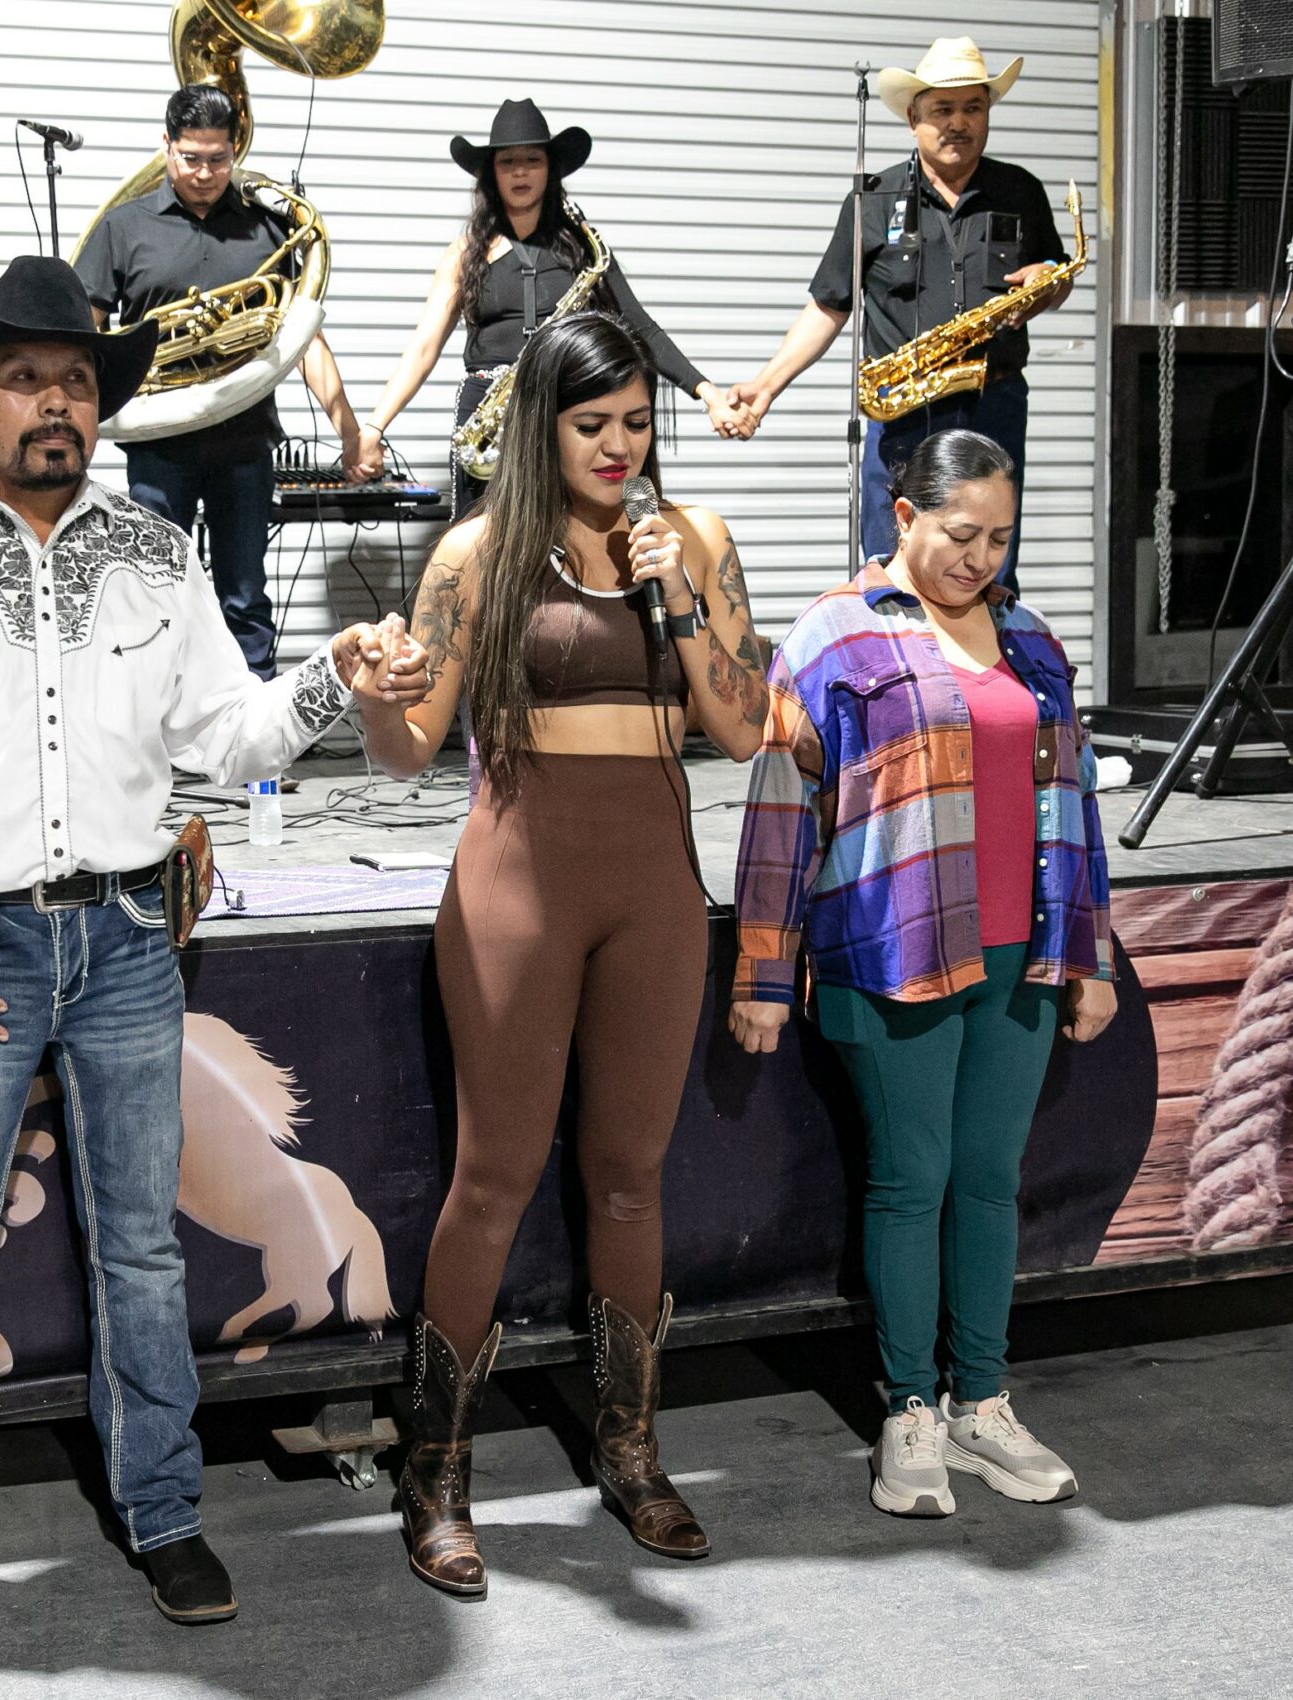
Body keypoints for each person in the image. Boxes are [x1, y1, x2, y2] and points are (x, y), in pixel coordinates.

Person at [0, 255, 428, 1663]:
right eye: (24, 379)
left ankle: (164, 1511)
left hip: (129, 939)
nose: (55, 404)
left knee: (140, 1249)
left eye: (75, 381)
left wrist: (333, 675)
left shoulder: (154, 550)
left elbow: (231, 739)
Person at [360, 311, 769, 1595]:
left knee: (632, 1175)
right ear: (542, 424)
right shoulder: (477, 553)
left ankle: (630, 1449)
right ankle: (435, 1469)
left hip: (654, 888)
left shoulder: (692, 538)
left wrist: (682, 595)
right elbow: (405, 749)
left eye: (637, 422)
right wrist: (375, 692)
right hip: (518, 886)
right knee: (493, 1176)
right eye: (593, 424)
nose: (618, 446)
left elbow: (745, 725)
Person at [726, 429, 1117, 1519]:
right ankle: (909, 1408)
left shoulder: (1031, 639)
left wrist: (1090, 954)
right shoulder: (832, 635)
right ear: (904, 516)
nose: (979, 556)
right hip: (891, 947)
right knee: (913, 1177)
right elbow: (779, 811)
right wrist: (763, 970)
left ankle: (980, 1400)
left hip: (1020, 953)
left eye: (999, 537)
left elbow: (1077, 803)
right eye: (959, 532)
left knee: (990, 1177)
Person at [724, 38, 1073, 594]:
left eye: (973, 107)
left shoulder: (1021, 191)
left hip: (994, 404)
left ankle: (986, 647)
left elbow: (1054, 275)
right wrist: (765, 387)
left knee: (990, 570)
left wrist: (1049, 282)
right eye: (942, 109)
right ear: (913, 119)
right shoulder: (873, 198)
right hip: (902, 408)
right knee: (890, 562)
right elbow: (829, 305)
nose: (958, 123)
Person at [73, 82, 381, 678]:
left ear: (235, 150)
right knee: (156, 592)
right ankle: (157, 722)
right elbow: (87, 337)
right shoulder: (123, 226)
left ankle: (256, 720)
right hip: (158, 443)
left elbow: (304, 339)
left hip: (245, 441)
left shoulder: (269, 228)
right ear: (166, 145)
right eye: (191, 158)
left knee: (245, 595)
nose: (205, 173)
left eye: (218, 159)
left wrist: (349, 430)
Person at [364, 99, 748, 520]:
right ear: (492, 173)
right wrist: (374, 427)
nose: (521, 172)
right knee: (477, 535)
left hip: (561, 402)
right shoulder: (465, 253)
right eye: (508, 162)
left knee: (567, 528)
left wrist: (708, 393)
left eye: (533, 160)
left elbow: (642, 327)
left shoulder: (585, 248)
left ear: (550, 170)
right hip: (488, 416)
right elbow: (423, 347)